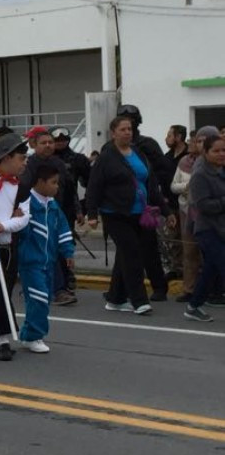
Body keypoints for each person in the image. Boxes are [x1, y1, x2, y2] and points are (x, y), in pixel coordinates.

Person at [87, 115, 174, 315]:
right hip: (115, 213)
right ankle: (139, 300)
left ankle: (116, 299)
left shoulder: (138, 153)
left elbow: (151, 185)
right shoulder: (107, 157)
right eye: (123, 129)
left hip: (140, 213)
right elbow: (94, 186)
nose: (127, 132)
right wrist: (92, 213)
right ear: (113, 133)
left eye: (129, 129)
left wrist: (166, 211)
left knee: (127, 255)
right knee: (132, 253)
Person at [0, 133, 30, 361]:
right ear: (6, 157)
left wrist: (4, 225)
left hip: (9, 246)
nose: (25, 162)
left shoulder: (22, 186)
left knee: (3, 290)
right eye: (21, 157)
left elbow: (24, 217)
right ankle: (3, 340)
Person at [17, 164, 76, 353]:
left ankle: (28, 334)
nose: (57, 187)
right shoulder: (26, 204)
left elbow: (63, 229)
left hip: (48, 261)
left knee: (44, 298)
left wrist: (68, 252)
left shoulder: (52, 205)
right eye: (53, 183)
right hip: (30, 262)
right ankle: (34, 335)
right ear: (40, 182)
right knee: (39, 298)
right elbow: (19, 230)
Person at [21, 128, 81, 305]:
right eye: (43, 143)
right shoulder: (28, 165)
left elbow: (70, 189)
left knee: (60, 250)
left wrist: (78, 210)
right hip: (35, 216)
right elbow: (22, 189)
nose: (48, 146)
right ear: (35, 145)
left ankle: (60, 286)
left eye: (50, 142)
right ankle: (55, 289)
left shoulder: (60, 164)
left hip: (58, 213)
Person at [172, 127, 222, 304]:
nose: (197, 144)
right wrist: (185, 188)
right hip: (192, 215)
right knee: (191, 253)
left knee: (210, 260)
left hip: (214, 220)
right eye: (196, 141)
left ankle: (204, 297)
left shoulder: (217, 166)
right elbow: (175, 186)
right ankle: (190, 291)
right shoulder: (189, 164)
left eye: (202, 141)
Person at [185, 130, 225, 322]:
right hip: (207, 230)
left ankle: (193, 306)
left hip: (222, 229)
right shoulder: (200, 175)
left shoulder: (221, 171)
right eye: (216, 151)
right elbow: (203, 205)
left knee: (211, 269)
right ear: (206, 153)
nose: (221, 154)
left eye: (223, 150)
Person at [162, 125, 190, 280]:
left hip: (186, 204)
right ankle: (176, 268)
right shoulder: (166, 157)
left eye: (169, 135)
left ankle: (189, 269)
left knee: (188, 238)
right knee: (172, 238)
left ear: (178, 137)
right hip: (169, 205)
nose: (167, 139)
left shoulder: (188, 158)